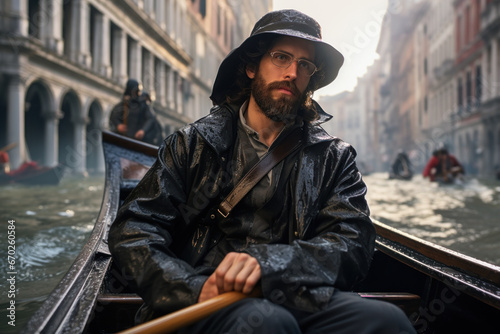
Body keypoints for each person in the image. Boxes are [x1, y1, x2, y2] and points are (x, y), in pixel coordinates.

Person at [109, 9, 416, 334]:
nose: (292, 73)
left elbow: (353, 243)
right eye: (281, 57)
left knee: (388, 322)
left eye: (305, 65)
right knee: (267, 324)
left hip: (293, 291)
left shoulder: (334, 157)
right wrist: (193, 288)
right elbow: (134, 231)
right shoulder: (192, 143)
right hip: (206, 297)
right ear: (252, 66)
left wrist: (271, 264)